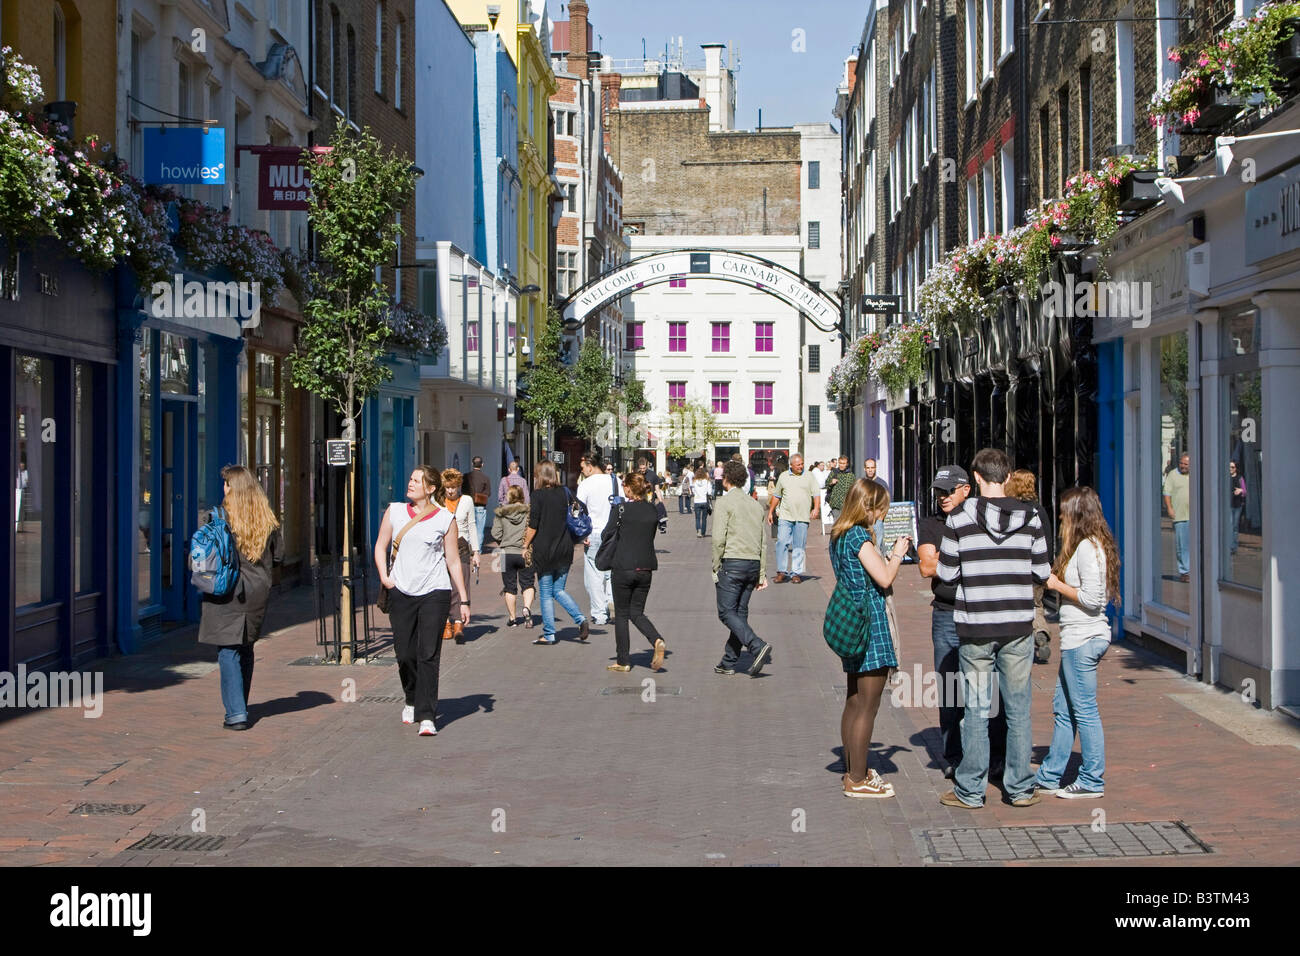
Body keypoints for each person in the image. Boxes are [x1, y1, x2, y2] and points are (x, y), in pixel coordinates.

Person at [936, 448, 1050, 809]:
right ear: (1006, 477)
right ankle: (1019, 787)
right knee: (1018, 710)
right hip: (1017, 624)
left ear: (979, 478)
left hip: (976, 626)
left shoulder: (959, 517)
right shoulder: (1031, 516)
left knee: (976, 710)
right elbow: (1043, 572)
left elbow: (946, 574)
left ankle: (971, 789)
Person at [1035, 486, 1120, 799]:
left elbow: (1093, 599)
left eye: (1063, 510)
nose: (1059, 516)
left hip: (1083, 638)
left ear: (1076, 514)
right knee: (1064, 707)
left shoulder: (1087, 548)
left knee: (1083, 711)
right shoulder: (1090, 545)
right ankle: (1049, 774)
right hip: (1078, 638)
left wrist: (1056, 584)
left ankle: (1091, 780)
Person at [829, 479, 911, 797]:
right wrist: (898, 554)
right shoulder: (859, 536)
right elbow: (884, 576)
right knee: (869, 704)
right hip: (870, 623)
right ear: (868, 506)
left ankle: (853, 768)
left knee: (854, 699)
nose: (882, 515)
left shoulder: (839, 533)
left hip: (852, 620)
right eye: (880, 509)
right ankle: (858, 779)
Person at [375, 466, 471, 736]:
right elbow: (381, 545)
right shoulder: (394, 511)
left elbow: (452, 560)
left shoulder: (444, 518)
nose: (411, 483)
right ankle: (411, 697)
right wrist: (384, 576)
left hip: (434, 592)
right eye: (410, 478)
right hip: (401, 591)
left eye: (417, 480)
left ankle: (427, 714)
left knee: (428, 653)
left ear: (430, 488)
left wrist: (463, 600)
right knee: (405, 653)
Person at [198, 465, 284, 731]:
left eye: (225, 484)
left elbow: (201, 557)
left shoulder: (215, 518)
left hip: (226, 590)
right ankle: (240, 706)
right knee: (245, 648)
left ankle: (236, 713)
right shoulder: (267, 520)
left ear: (231, 489)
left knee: (228, 650)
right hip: (257, 592)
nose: (223, 488)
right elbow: (278, 557)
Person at [712, 460, 773, 677]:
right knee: (739, 613)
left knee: (726, 612)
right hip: (752, 564)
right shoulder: (755, 505)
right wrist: (762, 572)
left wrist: (715, 564)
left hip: (733, 562)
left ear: (726, 479)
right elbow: (763, 541)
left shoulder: (724, 503)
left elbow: (719, 538)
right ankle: (729, 661)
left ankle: (756, 645)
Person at [604, 471, 667, 672]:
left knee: (621, 615)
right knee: (637, 612)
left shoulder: (620, 509)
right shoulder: (651, 510)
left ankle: (623, 660)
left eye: (624, 486)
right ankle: (656, 639)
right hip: (646, 567)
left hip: (623, 566)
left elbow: (607, 533)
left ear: (630, 488)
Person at [523, 460, 588, 645]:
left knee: (546, 592)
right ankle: (580, 619)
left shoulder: (537, 495)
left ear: (539, 475)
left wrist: (525, 545)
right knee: (558, 590)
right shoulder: (565, 492)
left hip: (545, 550)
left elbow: (533, 525)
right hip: (565, 548)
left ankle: (550, 633)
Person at [1005, 469, 1057, 666]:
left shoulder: (1010, 510)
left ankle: (1017, 644)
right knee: (1036, 606)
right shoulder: (1038, 510)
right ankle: (1041, 631)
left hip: (1016, 569)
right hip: (1036, 569)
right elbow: (1048, 540)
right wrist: (1046, 565)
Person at [577, 453, 623, 626]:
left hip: (594, 533)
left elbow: (579, 511)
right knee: (612, 572)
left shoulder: (586, 484)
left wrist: (582, 535)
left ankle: (599, 613)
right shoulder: (615, 481)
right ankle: (612, 602)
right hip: (614, 532)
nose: (582, 471)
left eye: (582, 468)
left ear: (590, 465)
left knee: (594, 575)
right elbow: (623, 505)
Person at [766, 453, 820, 584]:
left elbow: (816, 494)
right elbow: (777, 496)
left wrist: (816, 508)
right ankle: (781, 571)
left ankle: (796, 573)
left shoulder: (809, 476)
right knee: (782, 542)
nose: (801, 466)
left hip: (802, 517)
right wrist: (771, 512)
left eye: (802, 464)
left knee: (799, 546)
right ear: (791, 465)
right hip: (785, 516)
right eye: (798, 465)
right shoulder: (784, 477)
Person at [440, 469, 480, 643]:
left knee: (460, 584)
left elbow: (472, 525)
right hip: (442, 548)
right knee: (443, 586)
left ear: (459, 486)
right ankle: (445, 623)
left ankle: (457, 623)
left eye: (454, 487)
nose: (450, 491)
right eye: (448, 487)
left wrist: (476, 552)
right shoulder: (438, 501)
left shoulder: (467, 501)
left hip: (462, 546)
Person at [490, 485, 535, 627]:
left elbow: (495, 533)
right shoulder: (528, 512)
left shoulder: (501, 513)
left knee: (509, 587)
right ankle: (527, 608)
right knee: (528, 583)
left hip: (506, 553)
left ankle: (512, 618)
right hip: (525, 551)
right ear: (522, 496)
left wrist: (503, 541)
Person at [1162, 452, 1191, 582]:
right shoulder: (1173, 474)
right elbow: (1167, 493)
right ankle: (1185, 572)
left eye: (1186, 464)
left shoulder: (1196, 473)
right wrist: (1169, 508)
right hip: (1180, 515)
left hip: (1195, 516)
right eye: (1181, 463)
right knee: (1182, 545)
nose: (1183, 466)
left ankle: (1195, 570)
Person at [466, 456, 493, 545]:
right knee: (480, 530)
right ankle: (478, 550)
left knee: (468, 528)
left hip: (468, 505)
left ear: (472, 464)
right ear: (482, 465)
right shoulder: (485, 478)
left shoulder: (466, 476)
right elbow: (488, 493)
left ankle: (470, 548)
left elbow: (463, 491)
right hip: (481, 505)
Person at [825, 456, 854, 522]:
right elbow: (826, 484)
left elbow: (854, 489)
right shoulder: (834, 472)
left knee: (845, 524)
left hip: (846, 504)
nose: (841, 465)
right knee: (837, 523)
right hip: (835, 503)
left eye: (843, 463)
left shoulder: (851, 475)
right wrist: (831, 483)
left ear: (847, 464)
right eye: (840, 463)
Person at [1228, 460, 1246, 554]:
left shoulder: (1239, 478)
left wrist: (1240, 491)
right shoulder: (1225, 478)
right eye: (1229, 467)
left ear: (1236, 468)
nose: (1230, 469)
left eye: (1232, 467)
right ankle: (1230, 547)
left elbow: (1245, 491)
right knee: (1230, 526)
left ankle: (1234, 546)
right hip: (1228, 505)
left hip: (1237, 505)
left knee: (1235, 527)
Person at [692, 466, 712, 537]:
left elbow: (693, 491)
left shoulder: (694, 481)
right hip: (704, 501)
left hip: (697, 501)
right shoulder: (707, 481)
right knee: (704, 518)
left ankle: (698, 530)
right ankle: (703, 533)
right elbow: (709, 492)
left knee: (697, 518)